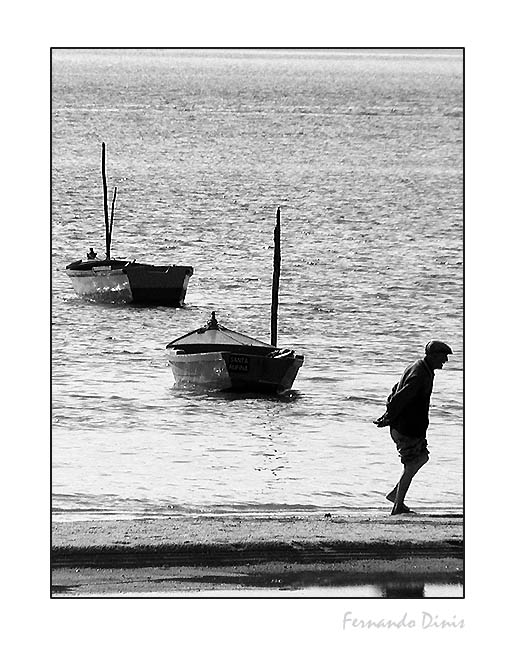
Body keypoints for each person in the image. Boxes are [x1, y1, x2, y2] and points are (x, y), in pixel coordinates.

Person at [374, 340, 453, 515]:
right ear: (432, 356)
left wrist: (389, 416)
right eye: (443, 356)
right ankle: (398, 505)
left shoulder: (420, 367)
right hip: (406, 428)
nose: (445, 360)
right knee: (413, 463)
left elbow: (395, 389)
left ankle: (396, 494)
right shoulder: (420, 374)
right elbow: (399, 397)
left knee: (422, 458)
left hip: (410, 427)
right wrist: (389, 417)